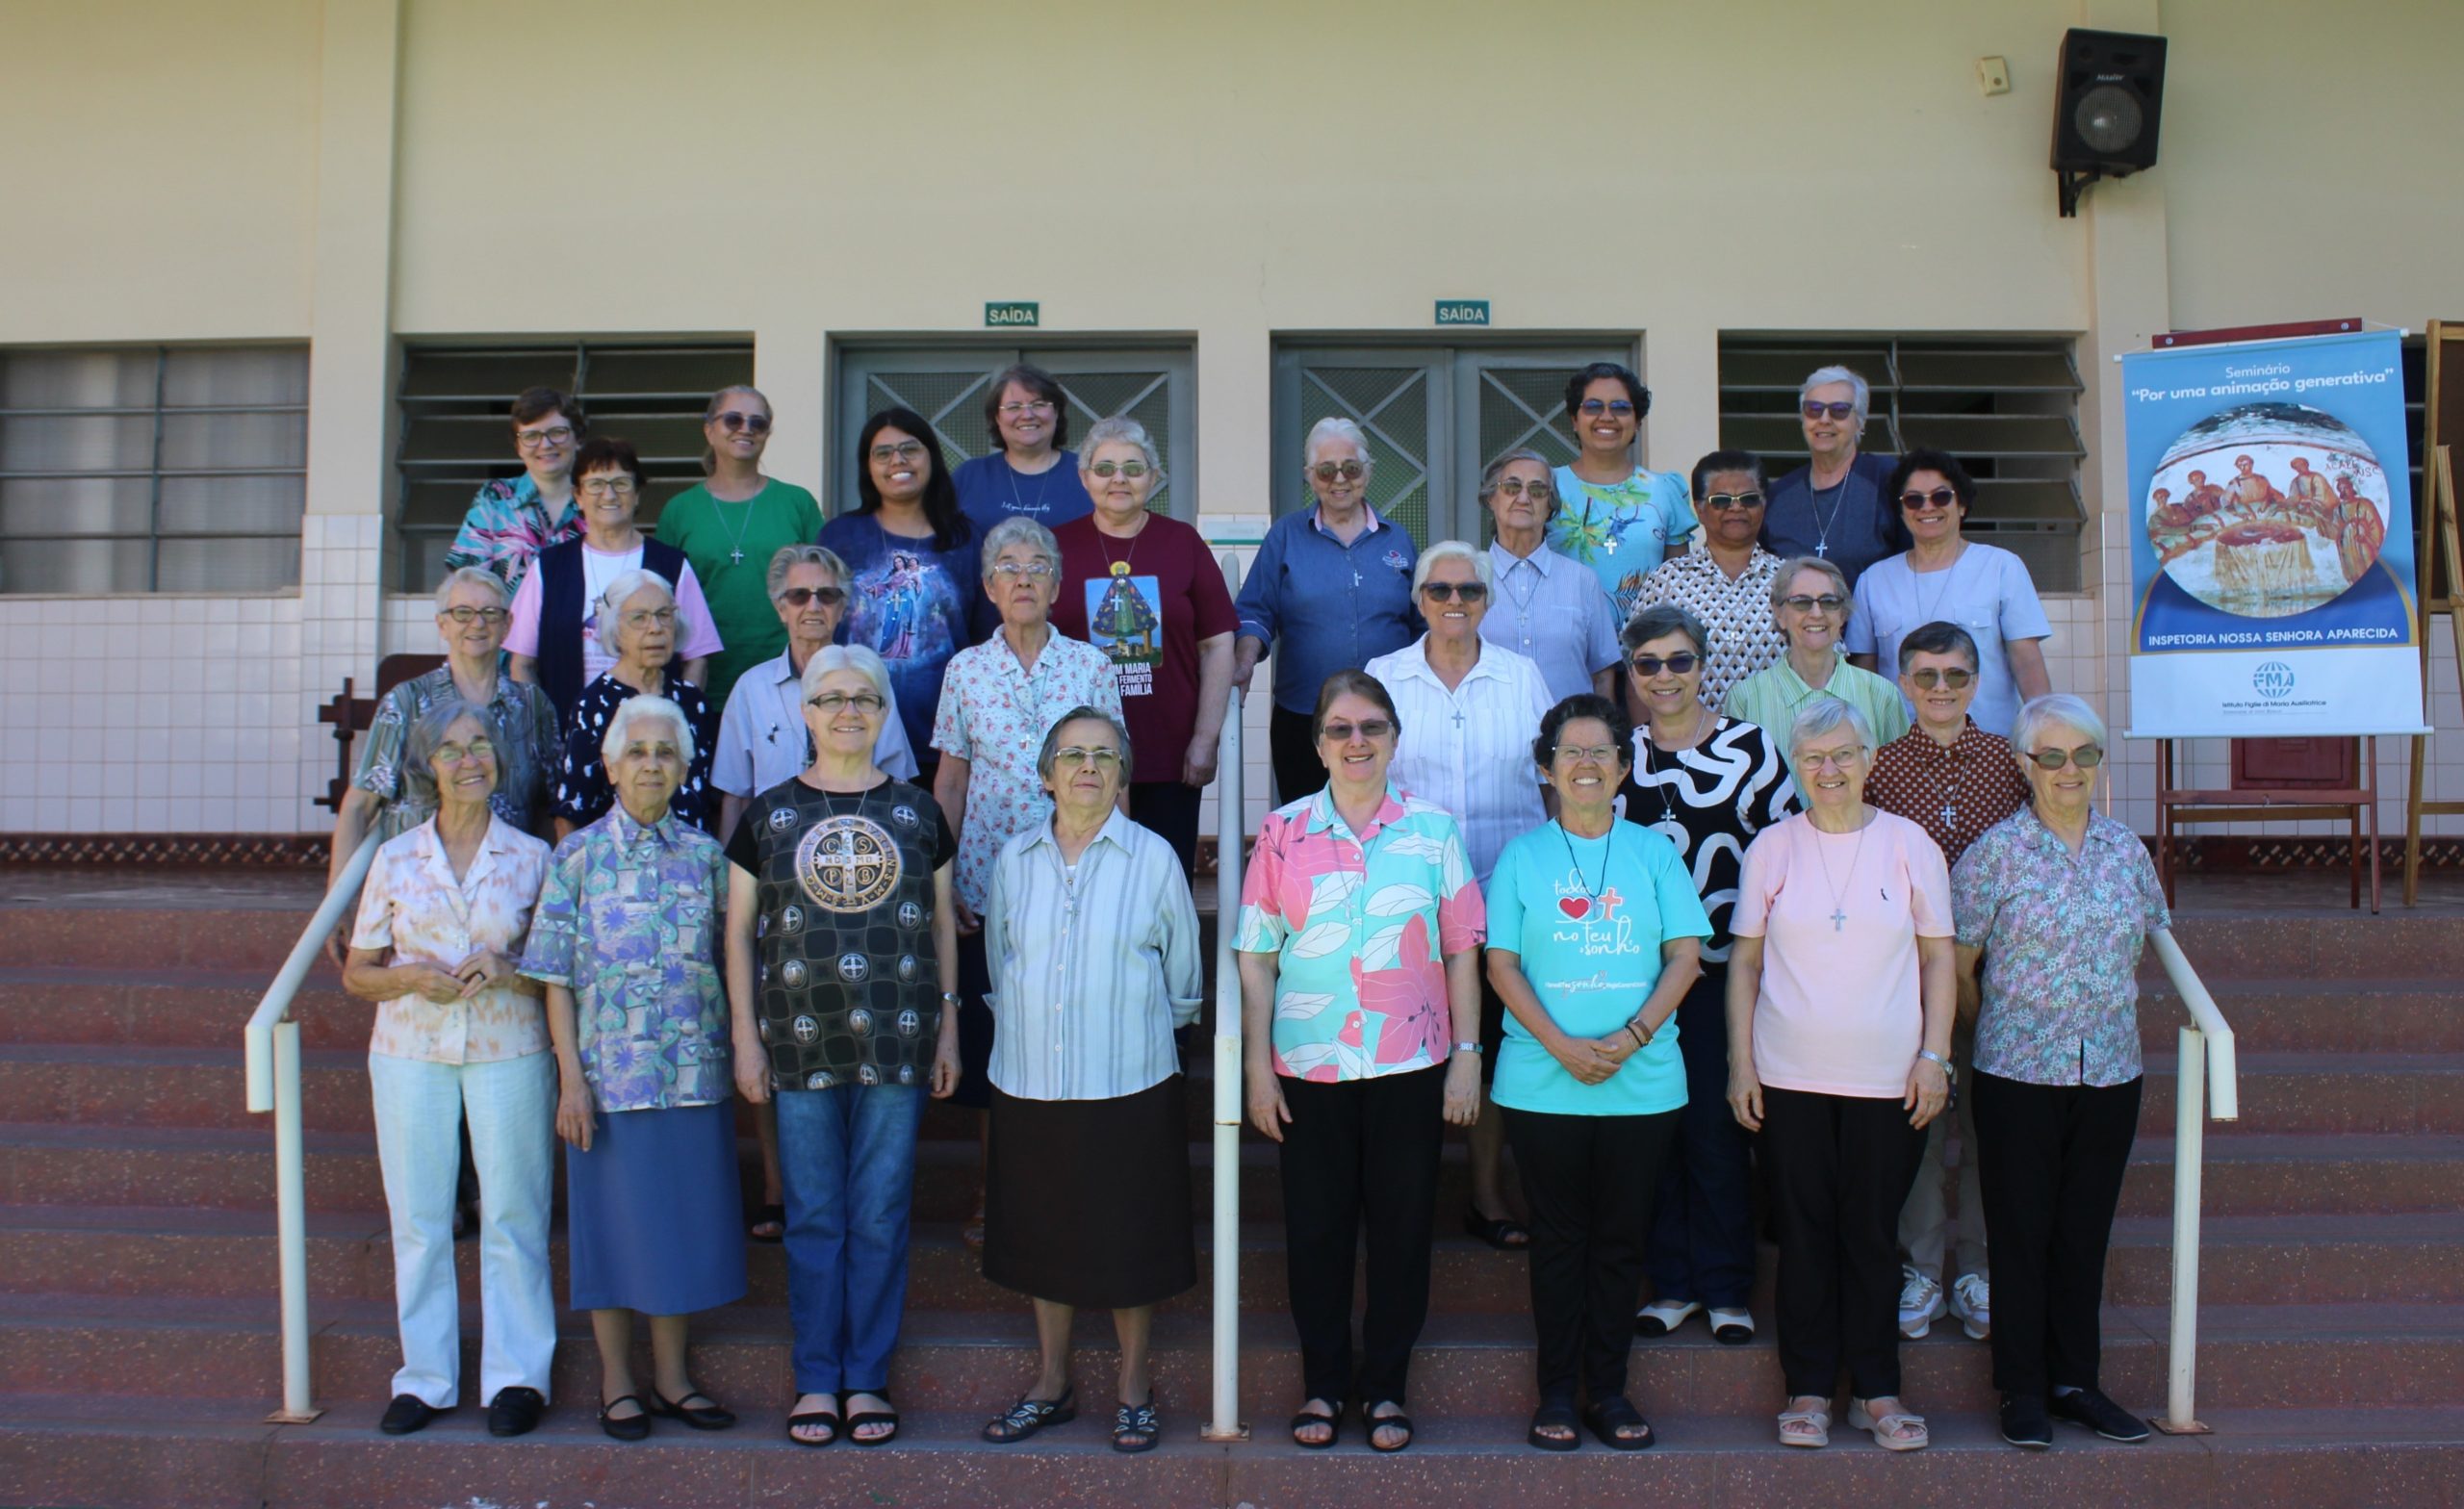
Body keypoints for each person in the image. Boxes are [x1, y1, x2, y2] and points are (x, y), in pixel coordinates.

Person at [1237, 670, 1484, 1455]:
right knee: (1317, 1232)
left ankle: (1385, 1388)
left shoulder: (1434, 831)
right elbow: (1255, 957)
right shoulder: (1282, 832)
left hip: (1410, 1064)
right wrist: (1257, 1069)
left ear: (1394, 739)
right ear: (1317, 745)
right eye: (1339, 728)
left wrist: (1468, 1056)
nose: (1356, 741)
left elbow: (1462, 951)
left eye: (1372, 727)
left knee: (1403, 1232)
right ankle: (1323, 1384)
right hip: (1309, 1067)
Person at [721, 643, 961, 1449]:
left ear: (885, 712)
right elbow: (739, 934)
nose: (848, 711)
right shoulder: (769, 814)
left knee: (882, 1214)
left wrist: (949, 1027)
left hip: (900, 1040)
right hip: (797, 1044)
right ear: (806, 713)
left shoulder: (918, 813)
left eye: (865, 698)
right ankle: (817, 1377)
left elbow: (941, 926)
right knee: (815, 1214)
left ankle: (867, 1377)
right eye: (831, 699)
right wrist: (745, 1040)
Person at [1727, 699, 1955, 1453]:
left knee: (1871, 1236)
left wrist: (1935, 1057)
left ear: (1870, 759)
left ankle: (1879, 1391)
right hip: (1788, 1077)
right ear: (1797, 767)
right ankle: (1810, 1389)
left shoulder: (1909, 843)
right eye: (1814, 757)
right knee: (1805, 1236)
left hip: (1889, 1081)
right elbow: (1745, 963)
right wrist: (1740, 1063)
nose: (1829, 770)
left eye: (1844, 754)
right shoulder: (1773, 847)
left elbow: (1938, 957)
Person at [1485, 693, 1710, 1452]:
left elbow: (1686, 956)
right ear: (1546, 769)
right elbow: (1501, 964)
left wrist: (1633, 1035)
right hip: (1541, 1083)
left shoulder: (1655, 853)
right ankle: (1555, 1393)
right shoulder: (1522, 857)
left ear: (1623, 767)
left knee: (1619, 1242)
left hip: (1642, 1083)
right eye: (1570, 752)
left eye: (1600, 752)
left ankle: (1608, 1393)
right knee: (1558, 1242)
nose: (1585, 764)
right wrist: (1560, 1044)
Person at [521, 695, 745, 1443]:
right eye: (638, 752)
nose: (652, 764)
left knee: (676, 1227)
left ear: (684, 769)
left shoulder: (707, 858)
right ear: (611, 766)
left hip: (693, 1076)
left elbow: (731, 960)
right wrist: (570, 1080)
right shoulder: (576, 856)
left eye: (665, 752)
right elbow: (554, 976)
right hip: (609, 1081)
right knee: (612, 1231)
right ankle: (618, 1379)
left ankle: (673, 1379)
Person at [976, 709, 1201, 1454]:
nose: (1088, 767)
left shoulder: (1154, 858)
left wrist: (1133, 1031)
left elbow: (1183, 980)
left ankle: (1134, 1388)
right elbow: (1001, 965)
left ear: (1122, 775)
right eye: (1072, 755)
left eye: (1105, 756)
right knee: (1043, 1236)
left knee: (1132, 1239)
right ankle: (1052, 1383)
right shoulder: (1013, 860)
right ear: (1046, 775)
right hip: (1031, 1080)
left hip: (1130, 1079)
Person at [1953, 694, 2168, 1452]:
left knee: (2084, 1233)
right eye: (2051, 755)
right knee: (2020, 1232)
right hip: (2016, 1072)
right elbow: (1960, 968)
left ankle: (2077, 1383)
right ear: (2025, 764)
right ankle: (2021, 1388)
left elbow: (2148, 941)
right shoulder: (1994, 854)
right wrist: (2001, 1028)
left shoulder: (2126, 851)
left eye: (2083, 754)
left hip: (2110, 1070)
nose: (2068, 769)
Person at [342, 700, 556, 1440]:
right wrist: (408, 978)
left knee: (514, 1213)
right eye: (452, 750)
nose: (470, 760)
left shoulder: (532, 856)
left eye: (481, 745)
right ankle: (426, 1379)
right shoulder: (395, 857)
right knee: (420, 1219)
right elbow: (358, 972)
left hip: (509, 1049)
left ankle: (518, 1377)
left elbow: (559, 973)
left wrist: (508, 968)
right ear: (427, 767)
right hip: (410, 1052)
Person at [1364, 541, 1552, 1252]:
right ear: (1418, 600)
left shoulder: (1521, 676)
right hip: (1410, 894)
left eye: (1469, 590)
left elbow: (1549, 778)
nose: (1454, 602)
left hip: (1507, 890)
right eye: (1439, 589)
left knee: (1496, 1045)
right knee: (1409, 1047)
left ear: (1487, 600)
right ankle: (1399, 1199)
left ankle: (1487, 1193)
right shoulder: (1384, 677)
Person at [1618, 603, 1796, 1345]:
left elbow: (1788, 853)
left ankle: (1725, 1288)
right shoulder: (1617, 755)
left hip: (1726, 975)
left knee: (1718, 1133)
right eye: (1648, 664)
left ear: (1702, 665)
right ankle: (1673, 1285)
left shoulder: (1749, 749)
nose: (1665, 676)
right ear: (1632, 673)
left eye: (1679, 660)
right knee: (1656, 1134)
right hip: (1637, 980)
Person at [932, 518, 1123, 1182]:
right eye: (1008, 568)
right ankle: (998, 1193)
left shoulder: (1091, 665)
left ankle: (1072, 1185)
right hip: (988, 885)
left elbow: (1115, 775)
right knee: (996, 1040)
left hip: (1078, 881)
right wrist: (944, 877)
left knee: (1070, 1032)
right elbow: (951, 780)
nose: (1023, 578)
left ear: (1057, 586)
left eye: (1037, 566)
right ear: (988, 587)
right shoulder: (966, 670)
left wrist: (1118, 871)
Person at [1862, 620, 2033, 1346]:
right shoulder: (1878, 767)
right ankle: (1923, 1269)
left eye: (1956, 675)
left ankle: (1983, 1270)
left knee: (1996, 1126)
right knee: (1922, 1123)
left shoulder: (2011, 762)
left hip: (2003, 975)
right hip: (1911, 977)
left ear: (1976, 682)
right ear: (1903, 683)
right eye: (1926, 675)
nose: (1941, 688)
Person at [1049, 416, 1237, 870]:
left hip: (1170, 756)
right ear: (1084, 477)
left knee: (1164, 880)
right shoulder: (1055, 546)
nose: (1119, 479)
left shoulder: (1182, 542)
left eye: (1133, 468)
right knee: (1086, 882)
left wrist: (1205, 738)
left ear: (1153, 477)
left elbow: (1218, 644)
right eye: (1105, 468)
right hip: (1080, 759)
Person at [330, 566, 560, 912]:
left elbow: (547, 808)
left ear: (507, 625)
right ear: (442, 625)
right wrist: (338, 907)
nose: (477, 624)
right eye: (463, 613)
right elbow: (359, 806)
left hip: (506, 900)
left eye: (490, 613)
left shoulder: (532, 706)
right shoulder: (407, 703)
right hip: (415, 900)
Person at [1231, 417, 1421, 805]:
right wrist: (1244, 662)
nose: (1339, 479)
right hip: (1305, 716)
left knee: (1387, 818)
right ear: (1309, 475)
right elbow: (1255, 610)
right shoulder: (1285, 536)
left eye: (1351, 468)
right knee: (1308, 823)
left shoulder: (1398, 540)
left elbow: (1423, 623)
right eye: (1326, 470)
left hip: (1388, 716)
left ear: (1367, 472)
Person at [505, 438, 722, 730]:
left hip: (653, 740)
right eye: (595, 484)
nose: (609, 494)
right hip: (568, 735)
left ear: (637, 494)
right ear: (578, 496)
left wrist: (676, 724)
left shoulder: (671, 565)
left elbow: (697, 660)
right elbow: (522, 664)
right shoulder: (548, 567)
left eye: (621, 483)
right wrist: (544, 732)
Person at [819, 407, 986, 779]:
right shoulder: (839, 537)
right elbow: (820, 630)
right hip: (852, 735)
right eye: (883, 453)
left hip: (943, 742)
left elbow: (984, 639)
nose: (898, 460)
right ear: (868, 467)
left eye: (910, 449)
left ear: (932, 457)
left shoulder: (965, 539)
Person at [1847, 450, 2052, 743]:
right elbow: (1864, 677)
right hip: (1900, 752)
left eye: (1941, 496)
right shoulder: (1874, 581)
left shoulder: (2001, 567)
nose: (1927, 507)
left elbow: (2027, 663)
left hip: (1991, 750)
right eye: (1914, 500)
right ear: (1901, 511)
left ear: (1962, 505)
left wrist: (2047, 735)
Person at [654, 386, 825, 708]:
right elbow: (661, 595)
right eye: (733, 420)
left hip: (790, 676)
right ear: (709, 430)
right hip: (702, 680)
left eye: (757, 423)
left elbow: (826, 587)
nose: (746, 429)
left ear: (767, 434)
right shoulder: (680, 510)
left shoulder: (797, 502)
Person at [552, 571, 719, 835]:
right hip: (617, 858)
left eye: (664, 615)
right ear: (616, 630)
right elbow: (572, 810)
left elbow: (706, 798)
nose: (656, 628)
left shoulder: (693, 702)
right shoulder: (594, 704)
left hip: (693, 856)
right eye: (640, 618)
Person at [1630, 451, 1788, 712]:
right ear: (1700, 509)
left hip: (1778, 732)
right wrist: (1646, 735)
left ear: (1764, 505)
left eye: (1748, 499)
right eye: (1721, 500)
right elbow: (1637, 668)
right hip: (1688, 735)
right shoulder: (1667, 581)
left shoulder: (1791, 580)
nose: (1736, 508)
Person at [1723, 556, 1910, 776]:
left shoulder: (1882, 695)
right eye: (1801, 602)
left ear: (1842, 614)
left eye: (1828, 602)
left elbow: (1899, 779)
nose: (1816, 613)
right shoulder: (1745, 699)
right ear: (1779, 613)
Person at [1548, 362, 1695, 622]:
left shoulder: (1664, 489)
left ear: (1637, 421)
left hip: (1646, 642)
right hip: (1563, 637)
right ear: (1574, 419)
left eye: (1620, 407)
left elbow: (1680, 585)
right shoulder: (1546, 486)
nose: (1607, 416)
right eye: (1593, 406)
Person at [1478, 448, 1620, 702]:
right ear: (1491, 498)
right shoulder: (1469, 579)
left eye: (1537, 490)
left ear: (1550, 505)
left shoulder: (1582, 581)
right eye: (1512, 487)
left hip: (1569, 726)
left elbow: (1602, 675)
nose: (1523, 498)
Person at [1760, 366, 1907, 585]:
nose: (1824, 419)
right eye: (1814, 409)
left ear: (1860, 422)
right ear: (1803, 419)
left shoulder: (1887, 479)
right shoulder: (1778, 494)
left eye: (1839, 410)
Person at [443, 387, 586, 595]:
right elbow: (466, 584)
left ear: (578, 439)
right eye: (531, 436)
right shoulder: (495, 498)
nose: (545, 444)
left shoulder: (599, 500)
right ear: (518, 447)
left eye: (557, 432)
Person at [953, 362, 1094, 536]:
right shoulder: (969, 476)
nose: (1027, 415)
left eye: (1038, 404)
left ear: (1056, 411)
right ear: (997, 417)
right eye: (1014, 407)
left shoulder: (1088, 474)